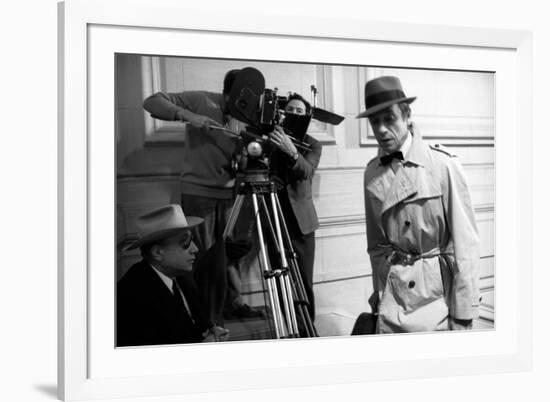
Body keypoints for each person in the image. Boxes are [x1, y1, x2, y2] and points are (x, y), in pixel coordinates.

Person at [357, 76, 480, 333]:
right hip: (394, 293)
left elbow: (465, 246)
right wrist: (379, 293)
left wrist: (463, 312)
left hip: (435, 294)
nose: (380, 129)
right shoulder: (371, 173)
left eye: (388, 119)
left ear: (407, 115)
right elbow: (376, 247)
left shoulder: (442, 164)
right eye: (374, 121)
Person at [142, 69, 262, 323]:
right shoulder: (201, 100)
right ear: (226, 93)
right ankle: (206, 318)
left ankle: (234, 303)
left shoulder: (247, 112)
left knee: (229, 252)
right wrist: (188, 116)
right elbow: (151, 101)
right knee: (201, 256)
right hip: (198, 193)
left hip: (232, 194)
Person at [117, 204, 230, 346]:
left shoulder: (181, 276)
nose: (195, 249)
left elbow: (197, 323)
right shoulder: (133, 298)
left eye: (192, 239)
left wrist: (211, 332)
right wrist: (200, 348)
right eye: (185, 243)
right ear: (158, 253)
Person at [268, 93, 322, 322]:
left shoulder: (313, 144)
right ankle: (287, 325)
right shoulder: (269, 138)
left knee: (303, 280)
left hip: (302, 223)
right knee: (279, 279)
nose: (294, 114)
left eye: (299, 111)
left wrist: (291, 151)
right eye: (290, 109)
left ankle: (307, 327)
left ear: (307, 116)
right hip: (273, 218)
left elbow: (306, 172)